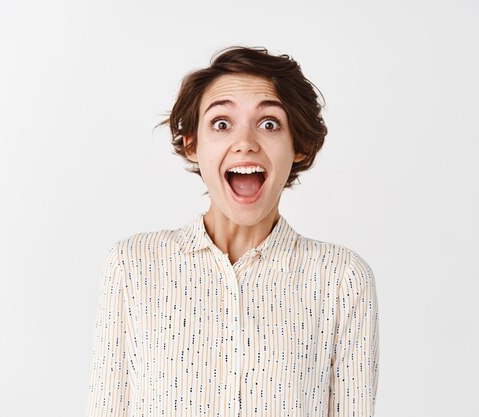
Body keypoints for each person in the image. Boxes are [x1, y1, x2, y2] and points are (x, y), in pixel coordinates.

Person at [86, 46, 379, 417]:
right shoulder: (132, 265)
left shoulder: (341, 278)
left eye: (269, 123)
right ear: (192, 144)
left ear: (299, 146)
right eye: (221, 123)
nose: (246, 142)